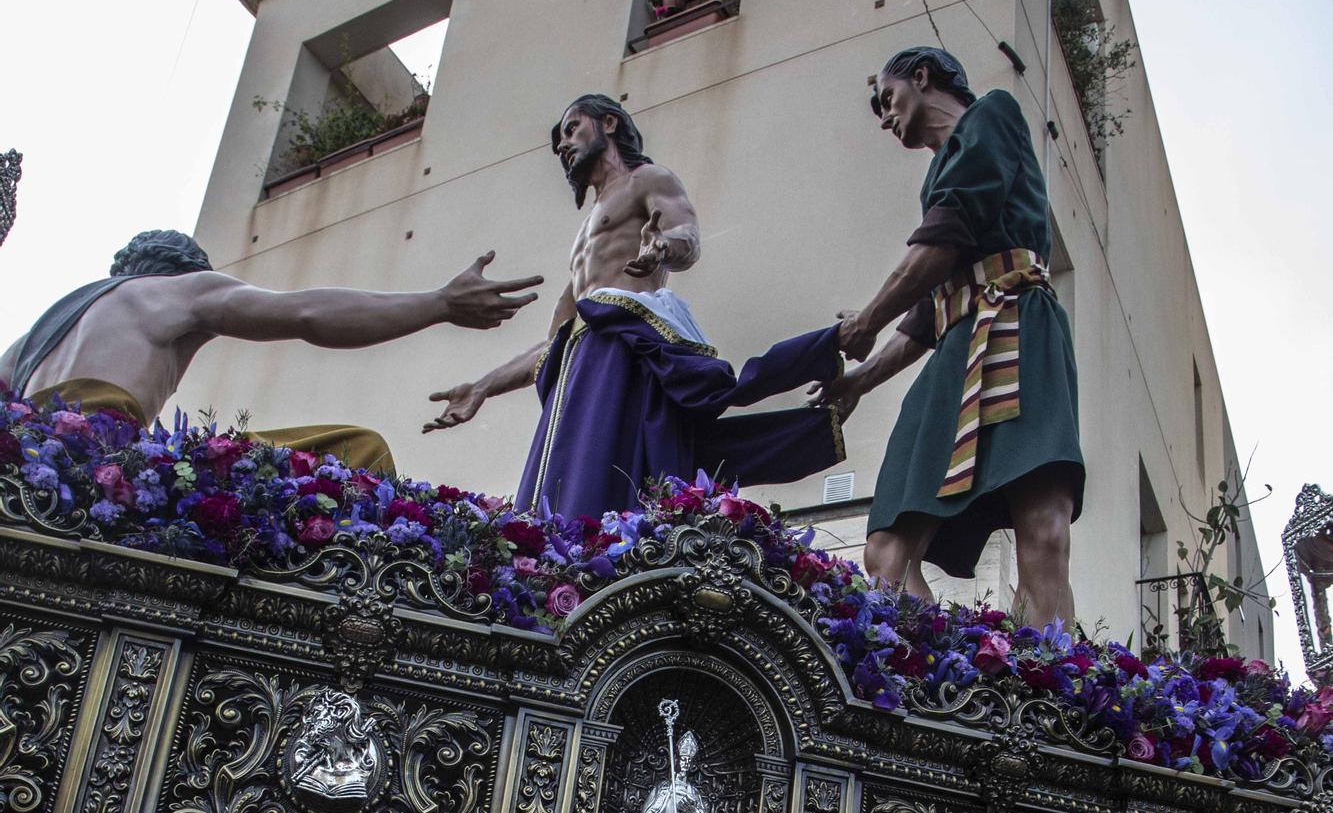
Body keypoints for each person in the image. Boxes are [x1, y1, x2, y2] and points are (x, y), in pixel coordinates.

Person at [423, 94, 845, 517]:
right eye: (558, 141)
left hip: (622, 356)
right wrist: (483, 387)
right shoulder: (584, 240)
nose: (563, 145)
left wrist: (664, 248)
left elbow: (686, 236)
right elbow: (556, 341)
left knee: (615, 470)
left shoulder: (647, 180)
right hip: (580, 367)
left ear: (608, 123)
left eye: (572, 128)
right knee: (565, 486)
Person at [812, 46, 1084, 625]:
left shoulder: (992, 115)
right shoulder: (935, 183)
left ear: (922, 76)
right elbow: (929, 313)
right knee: (886, 549)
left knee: (1043, 529)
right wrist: (860, 379)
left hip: (1018, 326)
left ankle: (1046, 690)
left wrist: (866, 320)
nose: (885, 117)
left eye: (887, 99)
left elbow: (947, 237)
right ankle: (923, 689)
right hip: (960, 343)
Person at [0, 228, 542, 469]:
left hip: (31, 471)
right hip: (109, 467)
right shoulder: (178, 292)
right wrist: (441, 303)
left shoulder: (35, 337)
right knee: (357, 449)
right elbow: (308, 313)